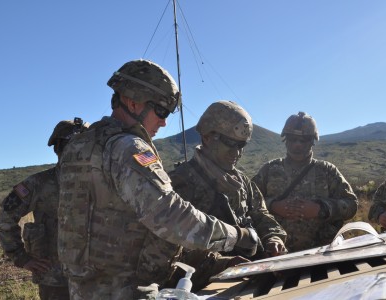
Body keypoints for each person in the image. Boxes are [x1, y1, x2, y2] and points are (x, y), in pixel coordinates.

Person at [56, 60, 258, 300]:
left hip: (82, 287)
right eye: (161, 111)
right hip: (125, 290)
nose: (163, 122)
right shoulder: (128, 148)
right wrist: (236, 236)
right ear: (133, 102)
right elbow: (171, 216)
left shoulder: (79, 146)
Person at [169, 100, 287, 289]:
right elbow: (171, 251)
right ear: (207, 137)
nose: (237, 153)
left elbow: (261, 215)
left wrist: (273, 240)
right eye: (230, 144)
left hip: (249, 278)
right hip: (203, 285)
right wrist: (224, 264)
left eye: (242, 145)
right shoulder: (180, 184)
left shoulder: (242, 182)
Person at [0, 117, 89, 300]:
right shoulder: (38, 184)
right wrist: (22, 258)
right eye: (76, 144)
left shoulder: (104, 182)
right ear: (59, 148)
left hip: (97, 278)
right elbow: (4, 219)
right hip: (55, 280)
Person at [251, 112, 358, 252]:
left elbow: (351, 205)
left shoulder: (327, 171)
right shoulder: (269, 170)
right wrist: (273, 206)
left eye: (304, 140)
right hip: (275, 253)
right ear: (285, 140)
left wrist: (321, 209)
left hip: (321, 253)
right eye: (292, 139)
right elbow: (248, 203)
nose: (297, 144)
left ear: (312, 141)